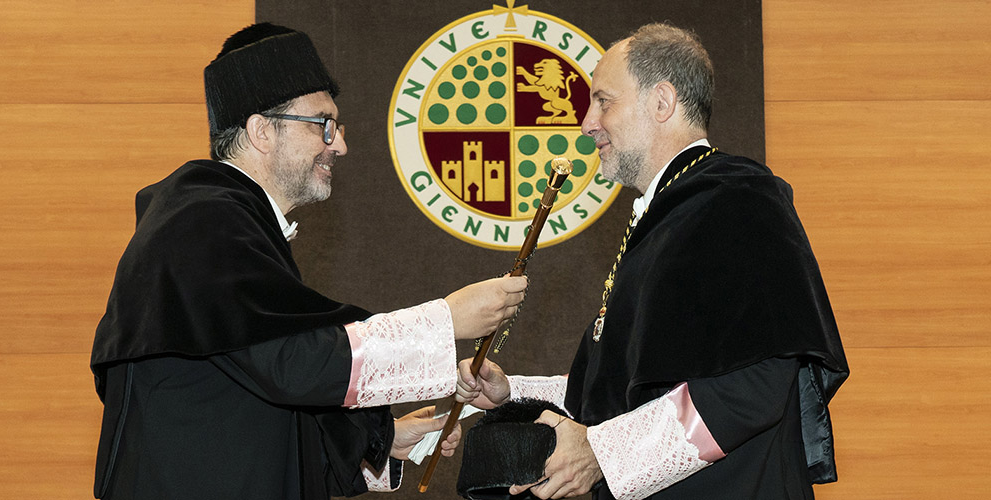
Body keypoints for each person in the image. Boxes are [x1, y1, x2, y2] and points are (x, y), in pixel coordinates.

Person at [90, 23, 526, 500]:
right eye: (323, 124)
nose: (339, 145)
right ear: (261, 131)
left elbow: (258, 418)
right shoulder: (202, 223)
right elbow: (290, 363)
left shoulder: (224, 221)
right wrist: (447, 320)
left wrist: (383, 441)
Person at [457, 22, 848, 500]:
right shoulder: (670, 212)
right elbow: (627, 388)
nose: (587, 123)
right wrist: (512, 392)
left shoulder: (739, 199)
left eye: (604, 100)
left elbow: (753, 383)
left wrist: (602, 452)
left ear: (662, 102)